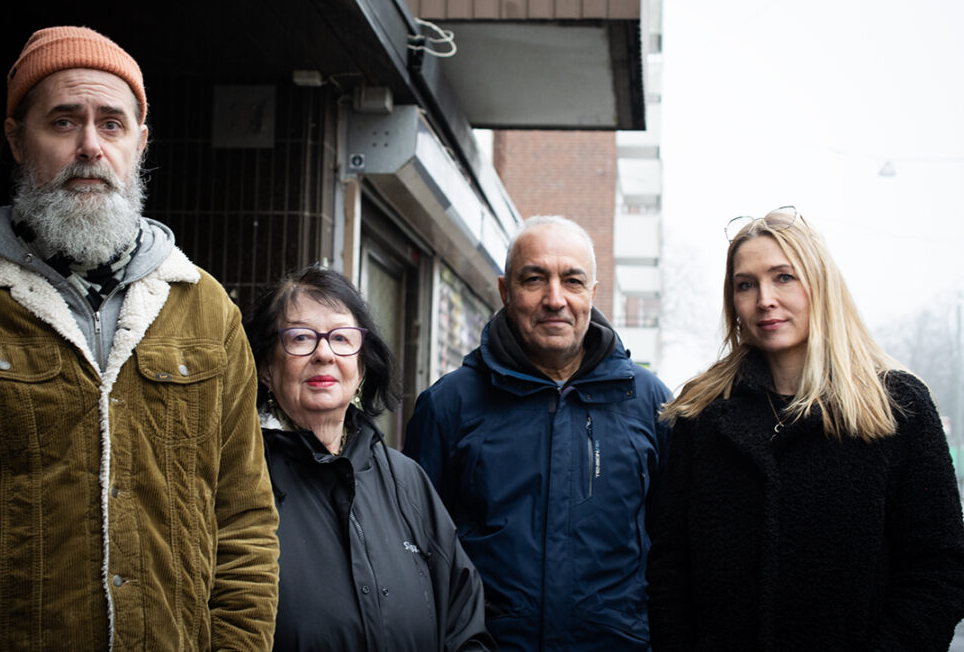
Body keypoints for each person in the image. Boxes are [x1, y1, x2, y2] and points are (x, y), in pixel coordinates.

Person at [0, 26, 279, 649]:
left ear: (141, 143)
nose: (90, 146)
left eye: (112, 124)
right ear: (17, 139)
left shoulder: (206, 311)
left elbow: (245, 526)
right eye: (63, 122)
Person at [647, 206, 964, 650]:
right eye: (746, 285)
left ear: (820, 284)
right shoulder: (701, 415)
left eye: (783, 277)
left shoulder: (898, 407)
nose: (764, 299)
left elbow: (938, 571)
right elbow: (670, 570)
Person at [403, 215, 673, 651]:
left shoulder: (649, 405)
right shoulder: (448, 406)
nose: (555, 298)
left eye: (572, 281)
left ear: (593, 294)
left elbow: (673, 557)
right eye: (534, 279)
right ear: (505, 291)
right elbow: (414, 556)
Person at [244, 265, 495, 652]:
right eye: (300, 337)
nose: (324, 353)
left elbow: (465, 625)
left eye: (342, 338)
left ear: (361, 367)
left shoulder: (406, 480)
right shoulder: (238, 479)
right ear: (265, 368)